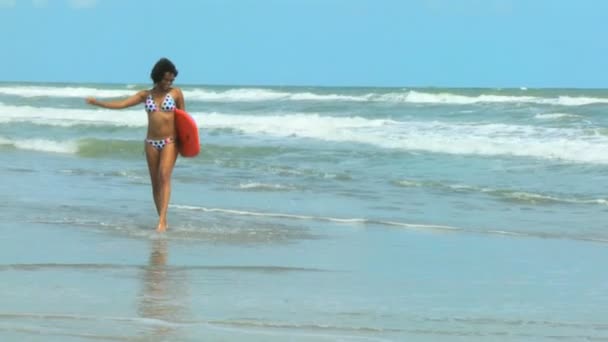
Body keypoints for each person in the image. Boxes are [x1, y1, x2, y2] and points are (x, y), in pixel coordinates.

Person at [86, 58, 185, 232]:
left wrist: (186, 143)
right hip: (151, 143)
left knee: (164, 176)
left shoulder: (176, 93)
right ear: (157, 77)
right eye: (165, 79)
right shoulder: (145, 95)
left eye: (171, 80)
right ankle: (163, 219)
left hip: (170, 141)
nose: (168, 83)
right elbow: (121, 104)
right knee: (155, 183)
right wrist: (99, 103)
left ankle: (161, 221)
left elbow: (184, 120)